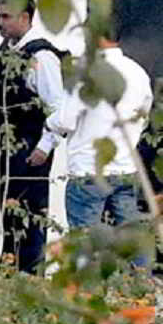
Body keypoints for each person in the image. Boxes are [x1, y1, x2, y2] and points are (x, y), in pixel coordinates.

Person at [0, 0, 65, 274]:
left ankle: (29, 276)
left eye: (6, 16)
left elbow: (57, 106)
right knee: (10, 209)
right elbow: (6, 95)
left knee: (30, 213)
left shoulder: (42, 56)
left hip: (31, 143)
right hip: (9, 140)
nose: (0, 23)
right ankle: (10, 270)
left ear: (25, 17)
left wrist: (45, 146)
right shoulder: (7, 51)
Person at [36, 24, 151, 234]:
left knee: (85, 244)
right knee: (131, 240)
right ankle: (140, 268)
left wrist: (48, 123)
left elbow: (65, 120)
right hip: (125, 170)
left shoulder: (86, 73)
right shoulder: (138, 73)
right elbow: (144, 116)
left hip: (88, 171)